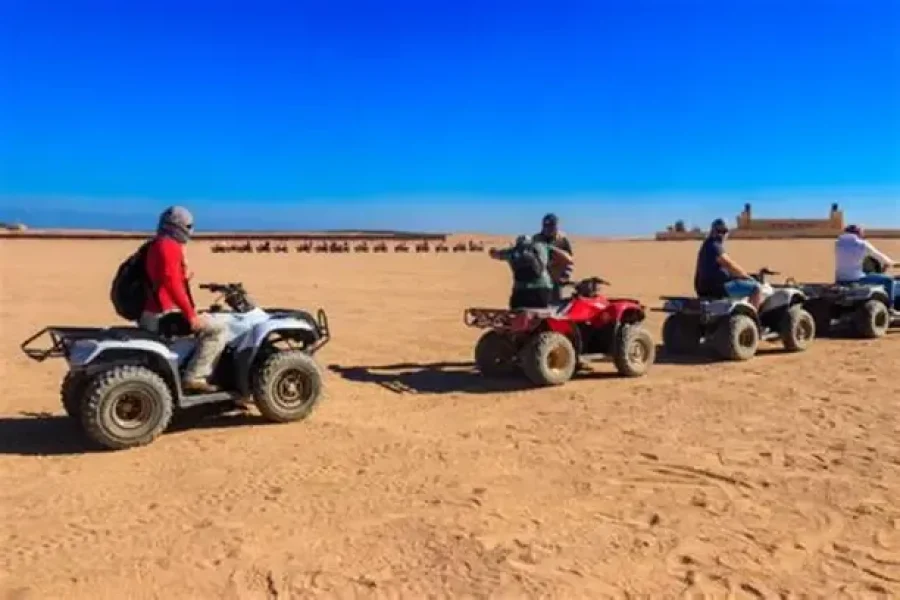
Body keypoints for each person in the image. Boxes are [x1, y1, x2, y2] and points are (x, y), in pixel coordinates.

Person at [139, 206, 229, 393]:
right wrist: (191, 315)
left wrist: (184, 276)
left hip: (151, 311)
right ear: (178, 226)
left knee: (207, 319)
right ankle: (195, 375)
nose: (190, 230)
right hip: (163, 313)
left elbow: (164, 278)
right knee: (218, 330)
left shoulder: (156, 244)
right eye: (188, 226)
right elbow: (171, 284)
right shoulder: (169, 246)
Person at [693, 218, 763, 309]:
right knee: (756, 288)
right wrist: (747, 277)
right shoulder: (714, 246)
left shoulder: (706, 245)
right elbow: (729, 264)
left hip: (704, 287)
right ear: (712, 231)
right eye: (719, 231)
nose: (721, 234)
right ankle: (753, 320)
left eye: (724, 231)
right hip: (718, 287)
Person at [489, 234, 574, 309]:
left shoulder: (512, 251)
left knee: (517, 317)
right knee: (543, 319)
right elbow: (568, 259)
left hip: (520, 291)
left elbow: (494, 255)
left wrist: (493, 251)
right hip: (542, 290)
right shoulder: (543, 247)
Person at [835, 224, 897, 309]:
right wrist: (891, 262)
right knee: (889, 280)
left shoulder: (836, 243)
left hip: (840, 279)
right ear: (859, 233)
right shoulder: (862, 244)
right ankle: (890, 307)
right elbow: (880, 256)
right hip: (857, 278)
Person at [533, 213, 574, 301]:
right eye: (546, 225)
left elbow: (570, 259)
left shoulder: (562, 239)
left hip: (557, 277)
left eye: (551, 225)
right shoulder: (536, 239)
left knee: (556, 303)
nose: (548, 228)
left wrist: (566, 275)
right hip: (542, 278)